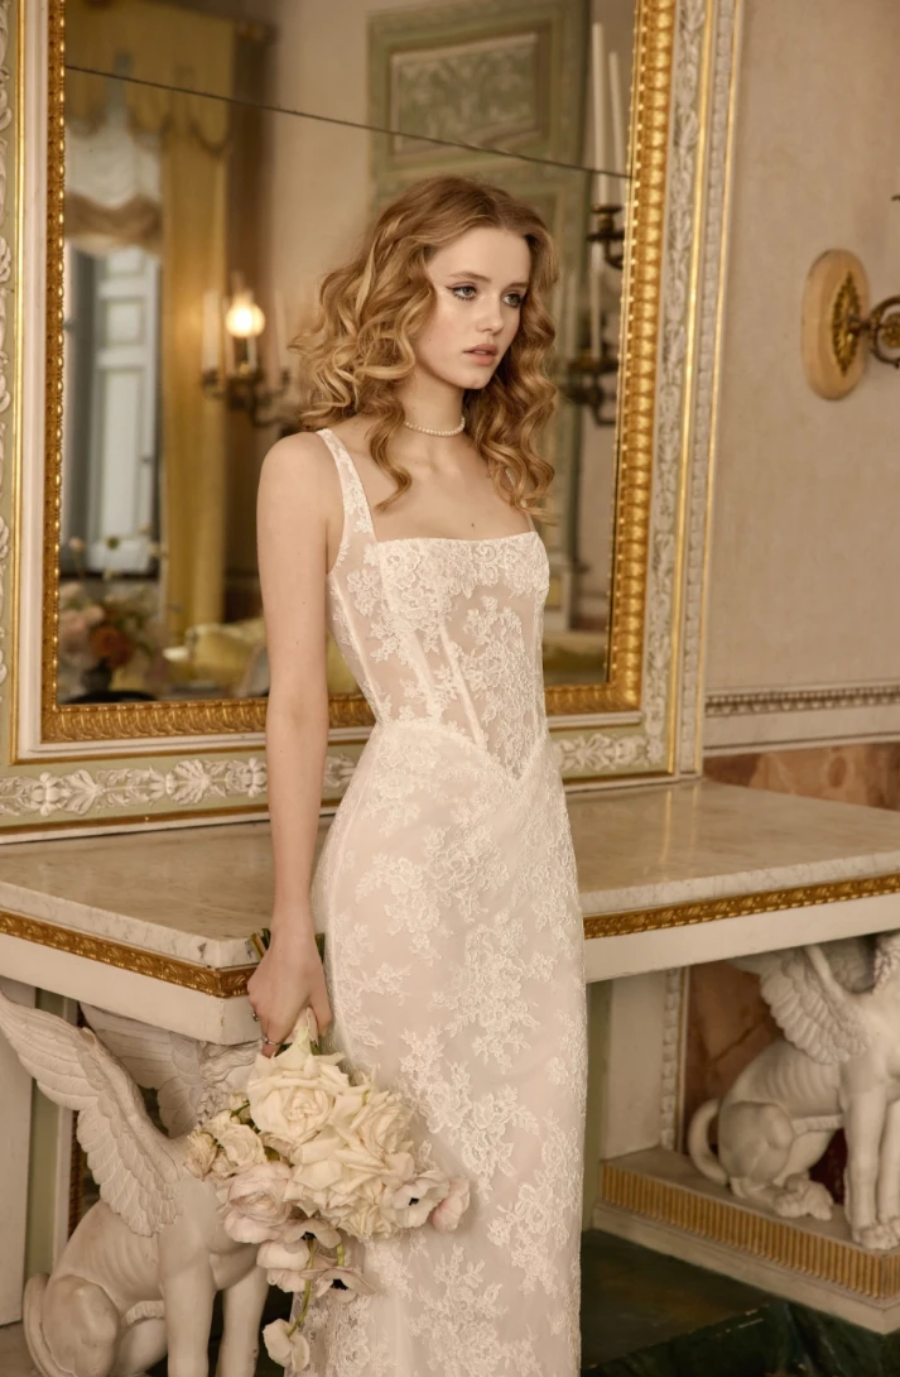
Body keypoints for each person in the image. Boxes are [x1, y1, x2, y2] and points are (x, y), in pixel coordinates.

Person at [247, 174, 588, 1377]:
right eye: (462, 289)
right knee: (409, 1179)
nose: (490, 319)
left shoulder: (506, 469)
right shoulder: (312, 469)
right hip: (411, 862)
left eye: (509, 296)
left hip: (530, 858)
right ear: (402, 291)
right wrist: (296, 929)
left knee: (528, 1175)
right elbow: (297, 706)